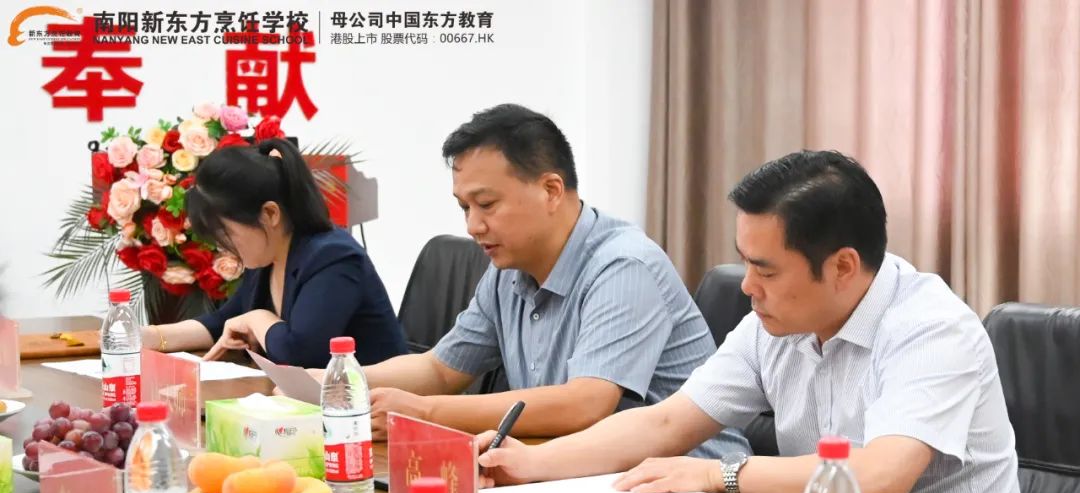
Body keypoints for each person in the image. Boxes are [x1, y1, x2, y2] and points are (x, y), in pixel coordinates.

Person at [475, 150, 1028, 493]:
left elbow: (875, 482)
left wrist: (720, 475)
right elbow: (666, 423)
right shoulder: (776, 323)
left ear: (842, 267)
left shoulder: (931, 328)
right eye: (744, 263)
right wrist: (530, 464)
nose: (746, 286)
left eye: (765, 270)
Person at [355, 103, 747, 454]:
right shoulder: (507, 272)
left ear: (551, 190)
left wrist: (424, 412)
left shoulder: (624, 265)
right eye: (465, 208)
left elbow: (585, 404)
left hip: (693, 487)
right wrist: (336, 379)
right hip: (574, 472)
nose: (473, 225)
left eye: (486, 204)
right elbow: (441, 370)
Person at [143, 138, 407, 369]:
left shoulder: (333, 258)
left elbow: (300, 353)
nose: (222, 246)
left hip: (372, 403)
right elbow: (223, 322)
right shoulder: (269, 253)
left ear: (270, 214)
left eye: (226, 233)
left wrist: (258, 319)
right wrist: (150, 336)